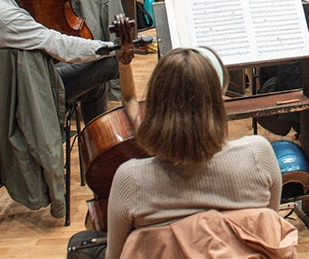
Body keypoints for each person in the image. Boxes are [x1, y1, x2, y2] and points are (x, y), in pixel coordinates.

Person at [102, 48, 282, 259]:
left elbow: (114, 255)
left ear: (154, 107)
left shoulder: (130, 179)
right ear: (218, 104)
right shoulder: (259, 155)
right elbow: (270, 231)